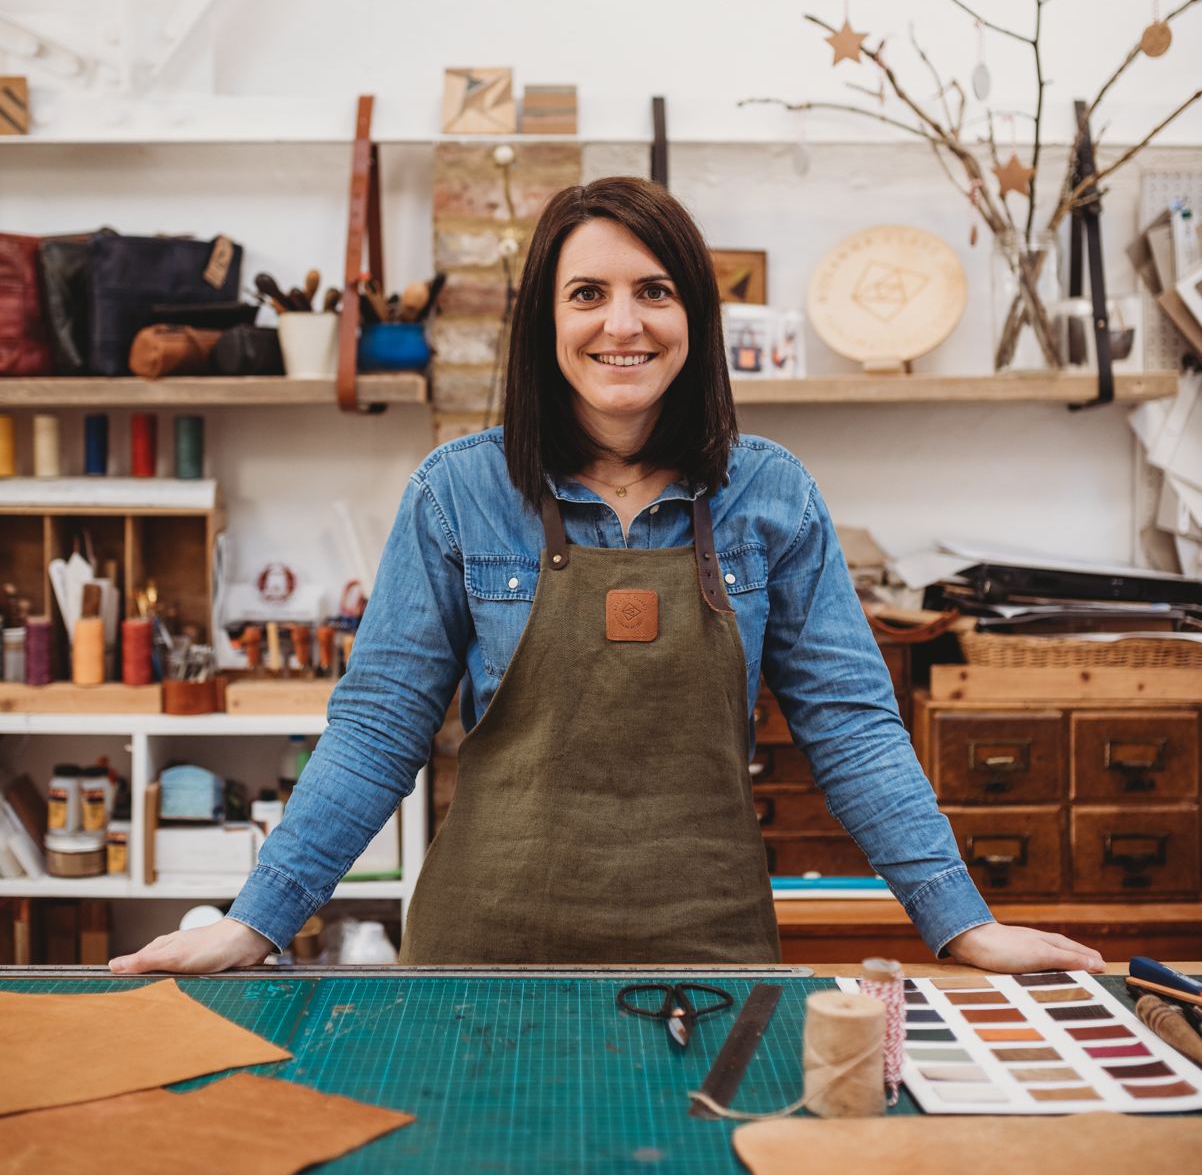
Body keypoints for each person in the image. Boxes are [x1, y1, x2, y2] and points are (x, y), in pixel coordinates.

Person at [113, 178, 1103, 977]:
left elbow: (848, 724)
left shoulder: (770, 495)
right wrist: (260, 920)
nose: (619, 323)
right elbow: (379, 728)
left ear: (692, 315)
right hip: (482, 956)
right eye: (586, 293)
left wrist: (959, 922)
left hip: (710, 953)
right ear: (545, 321)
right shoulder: (459, 491)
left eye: (652, 291)